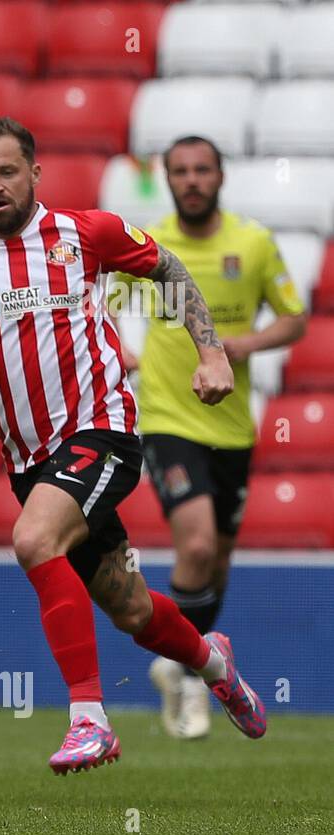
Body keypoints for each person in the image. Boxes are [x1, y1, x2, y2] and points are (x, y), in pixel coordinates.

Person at [0, 117, 267, 775]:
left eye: (8, 170)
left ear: (35, 173)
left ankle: (89, 720)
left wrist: (211, 352)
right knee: (129, 607)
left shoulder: (85, 233)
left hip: (101, 432)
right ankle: (216, 664)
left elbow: (169, 268)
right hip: (30, 462)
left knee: (32, 540)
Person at [113, 135, 307, 739]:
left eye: (202, 170)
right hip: (168, 418)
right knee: (195, 546)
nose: (192, 180)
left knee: (217, 563)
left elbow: (293, 315)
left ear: (221, 177)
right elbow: (104, 306)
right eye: (180, 172)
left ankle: (181, 668)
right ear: (167, 180)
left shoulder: (252, 243)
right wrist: (125, 354)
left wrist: (240, 346)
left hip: (233, 424)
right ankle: (192, 676)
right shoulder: (151, 248)